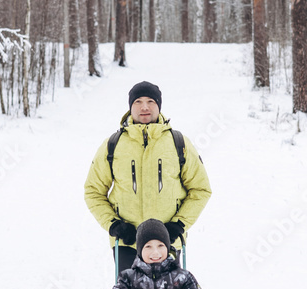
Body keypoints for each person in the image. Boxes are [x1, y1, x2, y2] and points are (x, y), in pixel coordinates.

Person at [84, 80, 212, 273]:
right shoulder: (113, 144)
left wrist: (179, 224)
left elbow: (200, 189)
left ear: (159, 106)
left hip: (166, 245)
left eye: (151, 101)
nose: (144, 107)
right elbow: (93, 191)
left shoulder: (179, 143)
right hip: (127, 245)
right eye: (138, 101)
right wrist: (114, 225)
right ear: (130, 107)